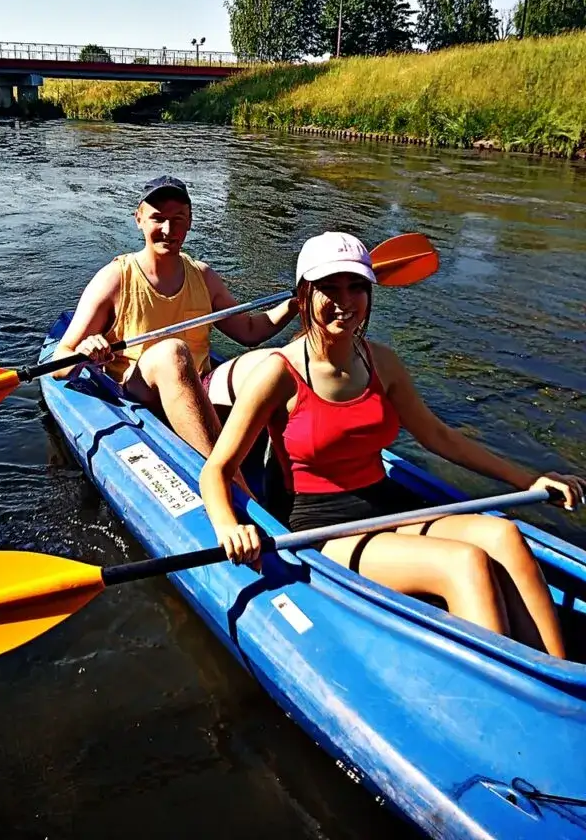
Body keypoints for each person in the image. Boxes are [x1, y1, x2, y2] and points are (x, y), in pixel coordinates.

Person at [199, 231, 585, 657]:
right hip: (320, 526)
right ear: (304, 296)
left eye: (356, 287)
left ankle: (561, 681)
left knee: (505, 536)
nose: (345, 300)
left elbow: (438, 436)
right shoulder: (277, 373)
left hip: (384, 502)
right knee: (463, 564)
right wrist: (228, 527)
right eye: (329, 288)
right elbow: (216, 469)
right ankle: (508, 695)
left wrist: (531, 479)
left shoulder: (381, 361)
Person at [52, 175, 298, 463]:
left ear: (190, 221)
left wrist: (295, 305)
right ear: (139, 219)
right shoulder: (115, 278)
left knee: (278, 361)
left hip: (199, 386)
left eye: (179, 219)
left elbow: (250, 331)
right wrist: (85, 351)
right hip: (140, 394)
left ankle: (290, 476)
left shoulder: (203, 276)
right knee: (173, 352)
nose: (169, 229)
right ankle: (227, 483)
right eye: (158, 218)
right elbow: (60, 360)